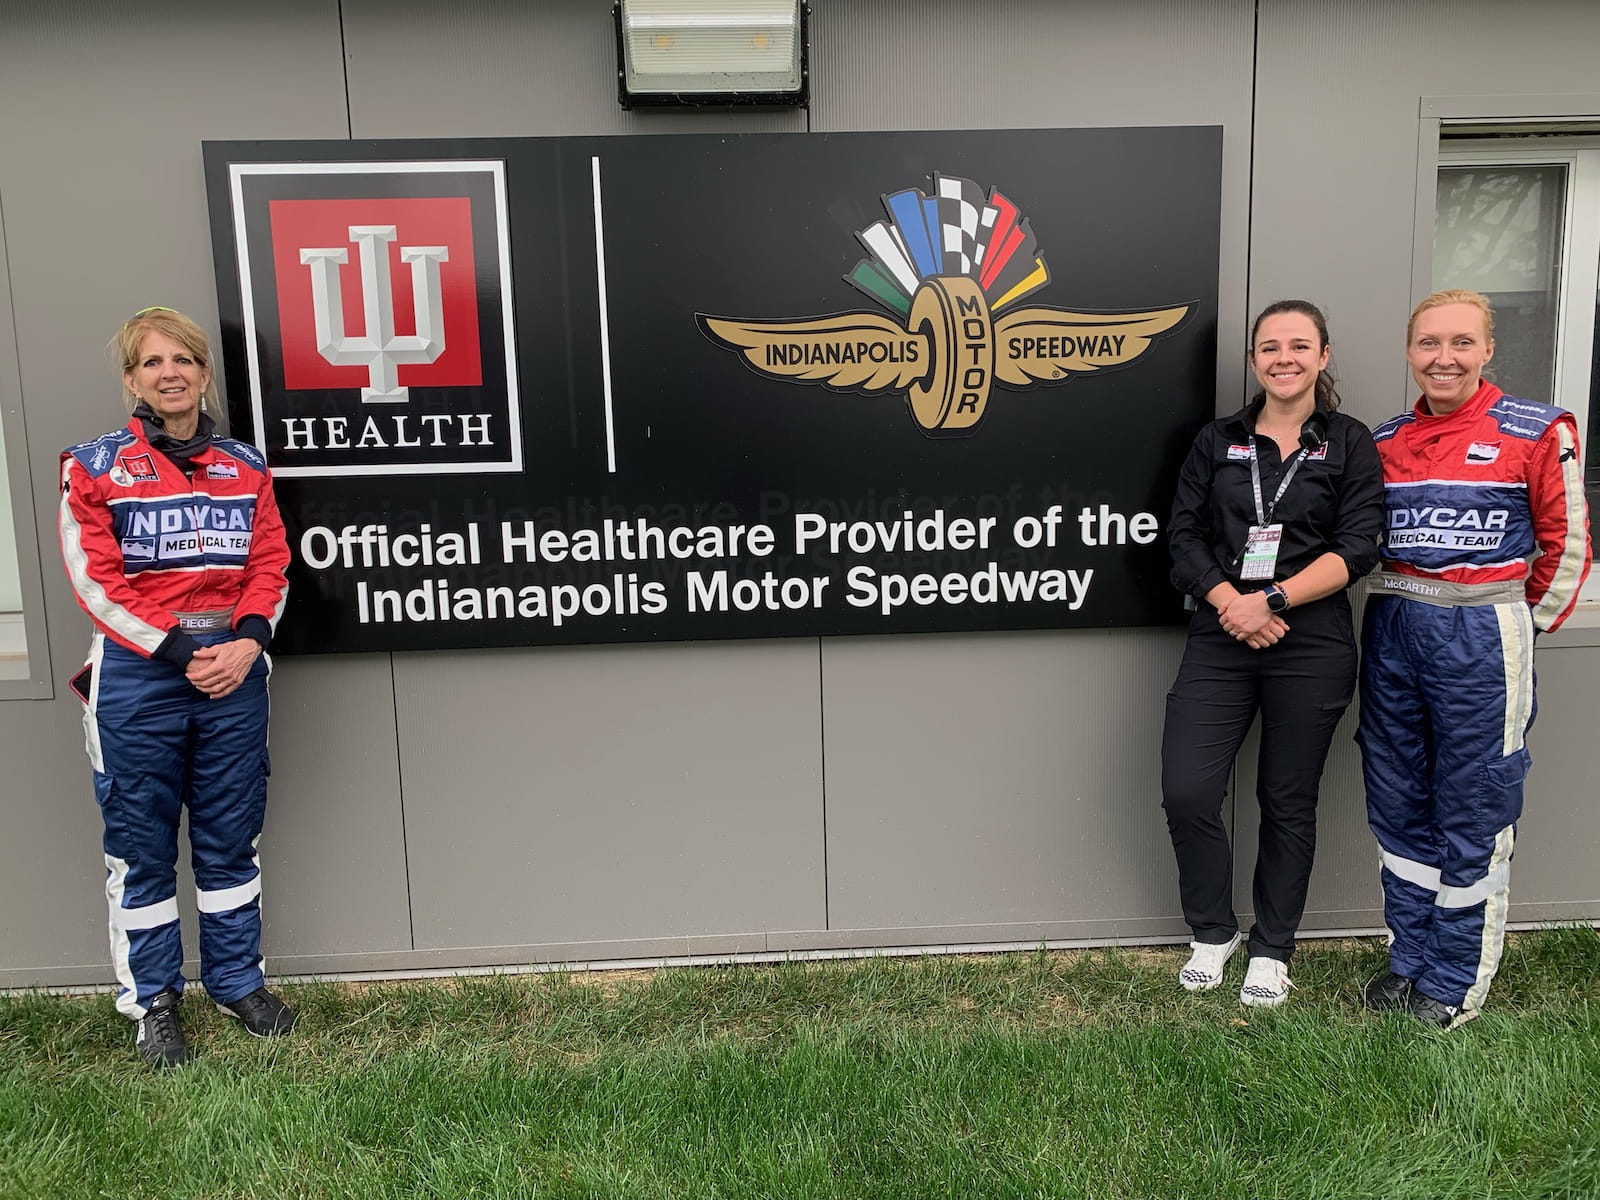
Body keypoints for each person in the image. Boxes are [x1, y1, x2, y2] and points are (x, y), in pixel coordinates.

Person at [59, 307, 295, 1068]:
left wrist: (247, 641)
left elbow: (271, 565)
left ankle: (236, 981)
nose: (171, 373)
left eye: (184, 360)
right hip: (139, 678)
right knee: (141, 849)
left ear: (202, 372)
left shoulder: (246, 466)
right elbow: (96, 580)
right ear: (132, 378)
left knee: (232, 838)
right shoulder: (92, 466)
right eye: (153, 362)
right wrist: (178, 650)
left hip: (233, 669)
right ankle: (154, 1003)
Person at [1358, 289, 1591, 1030]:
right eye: (1429, 343)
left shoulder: (1535, 428)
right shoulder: (1384, 439)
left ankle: (1456, 980)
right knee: (1397, 800)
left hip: (1481, 637)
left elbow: (1568, 544)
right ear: (1409, 351)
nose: (1444, 358)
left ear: (1488, 349)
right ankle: (1409, 958)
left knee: (1474, 804)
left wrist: (1517, 630)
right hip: (1394, 624)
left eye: (1461, 342)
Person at [1162, 299, 1385, 1006]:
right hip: (1221, 633)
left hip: (1309, 640)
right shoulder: (1218, 440)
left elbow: (1359, 547)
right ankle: (1214, 930)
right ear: (1254, 360)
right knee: (1188, 788)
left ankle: (1272, 947)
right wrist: (1232, 602)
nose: (1283, 358)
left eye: (1298, 345)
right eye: (1269, 347)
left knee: (1287, 799)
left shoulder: (1348, 442)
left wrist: (1275, 600)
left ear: (1323, 355)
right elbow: (1183, 538)